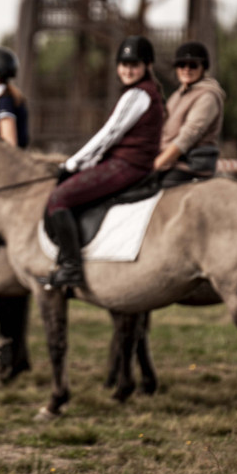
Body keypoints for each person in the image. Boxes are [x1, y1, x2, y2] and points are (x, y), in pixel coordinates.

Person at [44, 34, 165, 289]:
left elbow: (108, 135)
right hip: (129, 163)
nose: (128, 69)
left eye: (134, 64)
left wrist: (72, 164)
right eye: (123, 64)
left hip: (127, 165)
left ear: (147, 66)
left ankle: (72, 267)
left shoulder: (138, 95)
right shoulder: (146, 93)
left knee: (59, 199)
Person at [155, 41, 225, 186]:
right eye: (182, 65)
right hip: (172, 161)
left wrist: (156, 165)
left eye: (193, 65)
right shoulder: (178, 94)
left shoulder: (208, 96)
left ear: (203, 67)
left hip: (190, 165)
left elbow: (187, 137)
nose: (186, 69)